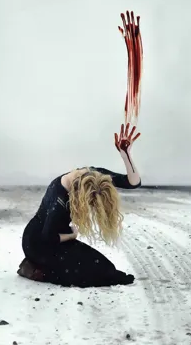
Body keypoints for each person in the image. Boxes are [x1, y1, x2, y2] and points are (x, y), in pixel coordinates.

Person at [17, 123, 142, 288]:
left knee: (105, 268)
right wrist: (72, 235)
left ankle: (43, 267)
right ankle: (34, 268)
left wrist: (126, 155)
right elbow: (48, 238)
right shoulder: (60, 196)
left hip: (59, 238)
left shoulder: (94, 176)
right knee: (86, 276)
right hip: (38, 243)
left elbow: (133, 182)